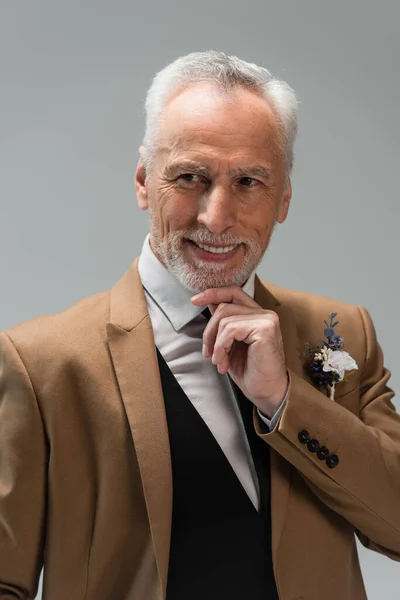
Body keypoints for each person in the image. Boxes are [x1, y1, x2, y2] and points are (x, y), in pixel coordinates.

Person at [1, 51, 399, 600]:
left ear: (283, 197)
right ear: (144, 181)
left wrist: (285, 400)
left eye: (249, 182)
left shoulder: (342, 333)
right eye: (191, 177)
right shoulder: (38, 363)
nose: (216, 216)